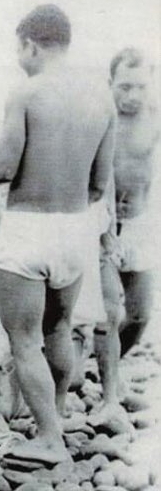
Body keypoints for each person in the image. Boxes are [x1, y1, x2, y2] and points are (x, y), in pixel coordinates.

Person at [0, 5, 115, 465]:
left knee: (24, 339)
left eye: (19, 49)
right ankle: (59, 413)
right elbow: (97, 183)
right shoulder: (102, 99)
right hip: (76, 229)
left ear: (31, 43)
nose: (18, 58)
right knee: (60, 327)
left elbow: (4, 167)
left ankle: (50, 439)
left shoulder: (26, 93)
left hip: (30, 230)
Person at [87, 48, 160, 432]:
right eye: (124, 87)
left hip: (142, 222)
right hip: (103, 223)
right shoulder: (100, 118)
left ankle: (106, 365)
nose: (132, 95)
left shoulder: (155, 115)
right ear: (110, 83)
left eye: (141, 87)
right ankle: (109, 397)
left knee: (141, 314)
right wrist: (99, 231)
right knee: (109, 314)